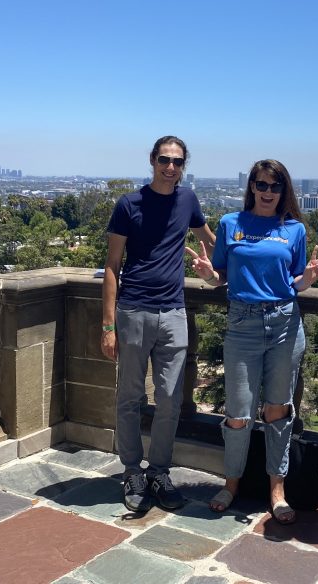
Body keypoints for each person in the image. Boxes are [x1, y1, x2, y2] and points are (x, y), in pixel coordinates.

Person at [187, 159, 318, 524]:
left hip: (284, 323)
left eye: (275, 186)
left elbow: (294, 281)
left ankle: (276, 490)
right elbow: (220, 277)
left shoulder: (294, 229)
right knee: (238, 413)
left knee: (278, 409)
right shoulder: (230, 224)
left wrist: (309, 278)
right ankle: (231, 483)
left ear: (284, 192)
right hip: (242, 323)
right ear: (251, 187)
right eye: (261, 185)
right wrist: (208, 274)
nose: (267, 192)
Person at [102, 136, 216, 513]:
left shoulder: (188, 200)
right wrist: (108, 325)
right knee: (130, 397)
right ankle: (133, 471)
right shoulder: (128, 205)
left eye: (178, 162)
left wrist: (248, 260)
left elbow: (211, 243)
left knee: (170, 400)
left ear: (184, 166)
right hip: (133, 310)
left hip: (174, 312)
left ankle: (159, 472)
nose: (171, 167)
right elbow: (112, 266)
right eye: (165, 160)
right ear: (152, 161)